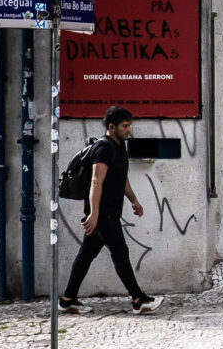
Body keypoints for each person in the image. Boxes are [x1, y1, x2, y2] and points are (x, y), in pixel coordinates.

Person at [59, 105, 163, 314]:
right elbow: (96, 181)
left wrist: (133, 200)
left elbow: (121, 177)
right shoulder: (104, 148)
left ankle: (68, 299)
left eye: (130, 125)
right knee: (120, 253)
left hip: (107, 212)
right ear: (111, 126)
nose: (129, 130)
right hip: (103, 213)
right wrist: (94, 213)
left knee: (86, 255)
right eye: (125, 126)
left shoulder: (119, 147)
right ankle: (138, 300)